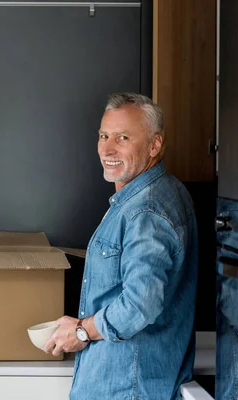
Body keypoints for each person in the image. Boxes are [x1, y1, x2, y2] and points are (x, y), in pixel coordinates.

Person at [44, 93, 198, 400]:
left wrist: (81, 332)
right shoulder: (160, 192)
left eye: (123, 137)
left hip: (127, 389)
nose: (107, 148)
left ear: (155, 145)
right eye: (104, 135)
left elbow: (140, 304)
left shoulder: (146, 213)